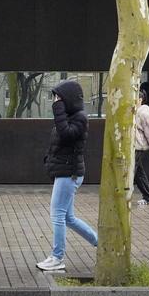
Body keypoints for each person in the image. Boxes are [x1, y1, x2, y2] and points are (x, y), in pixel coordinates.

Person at [36, 79, 98, 272]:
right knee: (68, 218)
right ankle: (102, 245)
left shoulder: (79, 118)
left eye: (59, 98)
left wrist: (58, 110)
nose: (56, 101)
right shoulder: (71, 116)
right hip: (64, 171)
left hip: (69, 173)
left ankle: (57, 257)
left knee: (57, 215)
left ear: (68, 99)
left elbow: (66, 135)